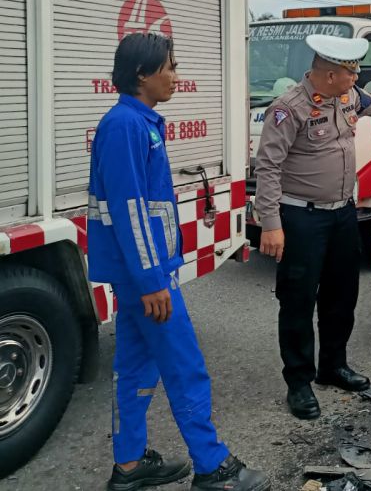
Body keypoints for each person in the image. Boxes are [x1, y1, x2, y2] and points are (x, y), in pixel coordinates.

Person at [88, 33, 269, 491]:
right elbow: (131, 210)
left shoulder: (139, 121)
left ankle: (129, 465)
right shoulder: (125, 126)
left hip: (140, 275)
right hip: (144, 278)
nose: (175, 75)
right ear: (141, 74)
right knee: (184, 366)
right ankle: (212, 466)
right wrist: (152, 280)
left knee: (135, 367)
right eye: (169, 66)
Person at [255, 34, 371, 420]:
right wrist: (270, 223)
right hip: (301, 218)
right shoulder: (289, 109)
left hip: (342, 215)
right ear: (328, 74)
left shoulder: (348, 96)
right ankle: (299, 383)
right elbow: (268, 167)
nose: (356, 78)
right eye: (350, 73)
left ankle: (333, 366)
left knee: (342, 295)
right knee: (298, 301)